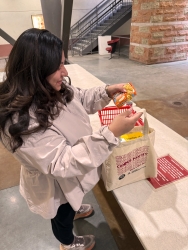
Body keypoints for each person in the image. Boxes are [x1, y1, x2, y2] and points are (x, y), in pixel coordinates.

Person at [0, 28, 142, 250]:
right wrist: (110, 134)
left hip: (72, 172)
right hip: (55, 183)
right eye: (57, 67)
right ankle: (67, 242)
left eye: (63, 63)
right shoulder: (21, 122)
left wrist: (106, 91)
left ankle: (74, 208)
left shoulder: (50, 86)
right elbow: (61, 163)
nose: (64, 72)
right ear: (36, 71)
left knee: (72, 201)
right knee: (61, 215)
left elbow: (80, 98)